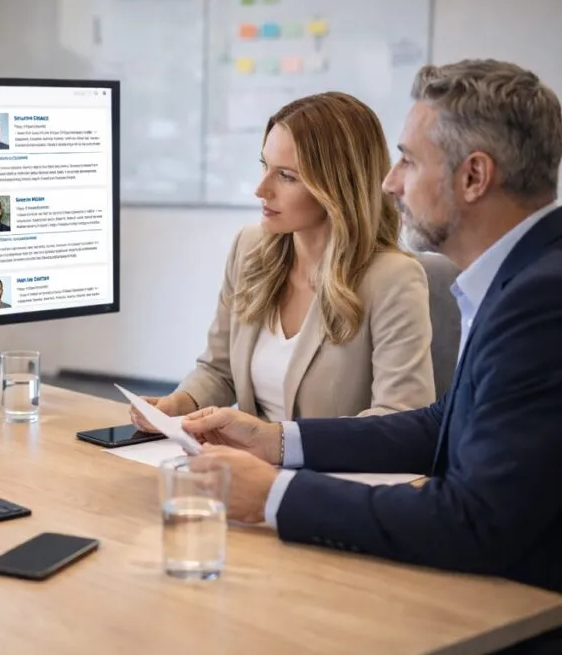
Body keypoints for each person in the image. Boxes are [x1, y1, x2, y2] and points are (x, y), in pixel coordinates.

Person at [181, 60, 562, 601]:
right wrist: (275, 441)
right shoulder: (520, 278)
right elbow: (438, 426)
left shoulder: (542, 299)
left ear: (473, 177)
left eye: (407, 161)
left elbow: (476, 520)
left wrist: (277, 495)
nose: (389, 182)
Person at [132, 91, 435, 431]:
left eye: (287, 176)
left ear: (338, 186)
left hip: (331, 477)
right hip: (246, 467)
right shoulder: (249, 249)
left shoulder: (392, 279)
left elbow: (399, 420)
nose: (261, 189)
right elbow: (219, 371)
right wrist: (178, 404)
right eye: (265, 167)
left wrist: (277, 442)